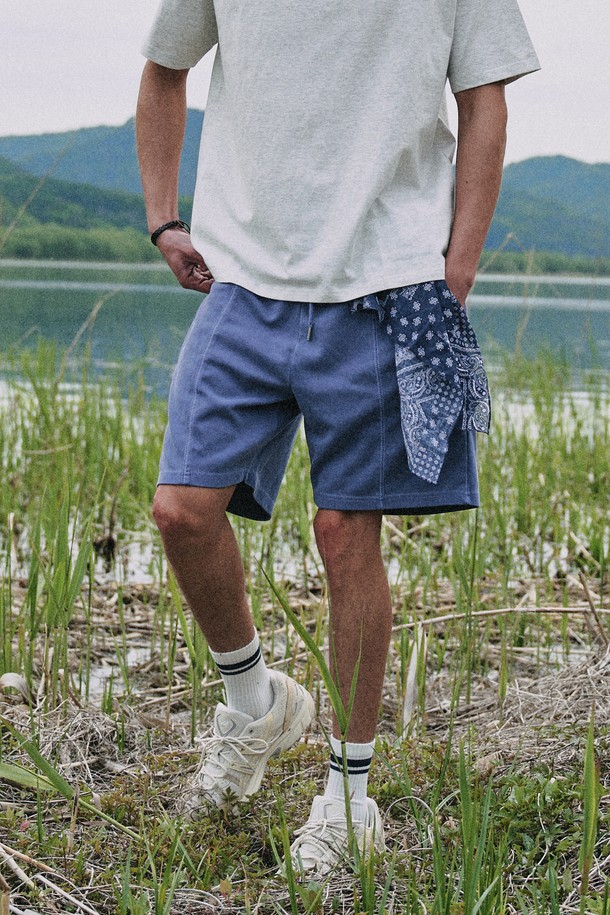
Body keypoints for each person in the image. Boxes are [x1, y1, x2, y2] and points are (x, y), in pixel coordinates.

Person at [136, 0, 539, 874]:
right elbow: (166, 65)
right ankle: (256, 704)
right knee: (181, 509)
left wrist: (459, 262)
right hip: (242, 280)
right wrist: (164, 217)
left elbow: (485, 97)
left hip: (388, 278)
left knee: (347, 533)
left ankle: (350, 801)